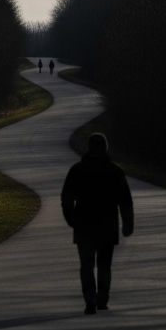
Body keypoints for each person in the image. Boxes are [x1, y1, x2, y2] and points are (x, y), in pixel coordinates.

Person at [60, 132, 133, 314]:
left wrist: (71, 219)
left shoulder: (77, 170)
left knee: (86, 264)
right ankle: (102, 298)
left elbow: (66, 198)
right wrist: (128, 223)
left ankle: (90, 299)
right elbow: (125, 200)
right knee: (104, 265)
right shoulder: (115, 171)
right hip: (107, 225)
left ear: (89, 147)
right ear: (105, 148)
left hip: (84, 224)